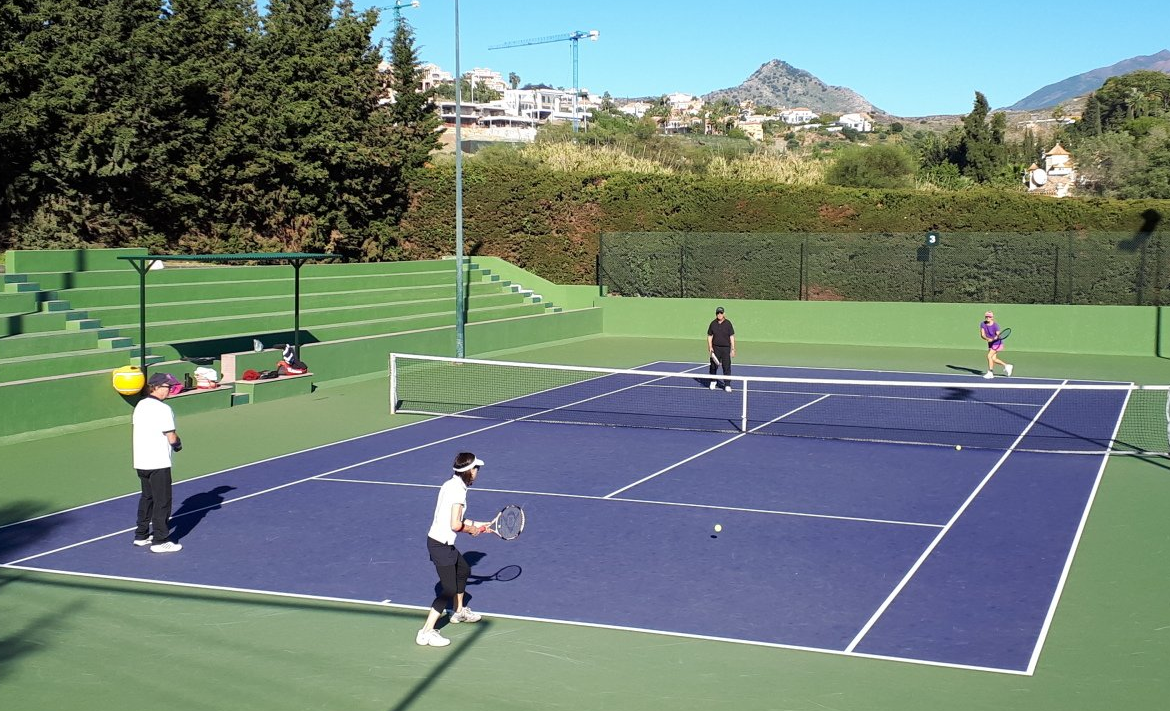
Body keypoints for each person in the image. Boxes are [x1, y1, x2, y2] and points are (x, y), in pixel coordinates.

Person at [417, 453, 489, 647]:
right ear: (468, 471)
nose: (477, 472)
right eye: (476, 469)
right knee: (448, 589)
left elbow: (454, 520)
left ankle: (458, 611)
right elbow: (456, 524)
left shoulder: (450, 484)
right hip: (440, 545)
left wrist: (480, 524)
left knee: (463, 569)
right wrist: (471, 529)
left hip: (441, 542)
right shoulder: (458, 492)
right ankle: (426, 632)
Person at [132, 372, 184, 553]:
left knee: (147, 497)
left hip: (141, 461)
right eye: (167, 387)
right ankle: (160, 540)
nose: (169, 390)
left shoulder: (140, 405)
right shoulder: (163, 409)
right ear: (156, 387)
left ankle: (141, 535)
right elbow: (171, 436)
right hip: (158, 462)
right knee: (162, 501)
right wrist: (178, 444)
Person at [706, 306, 736, 391]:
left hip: (726, 348)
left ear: (724, 314)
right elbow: (709, 336)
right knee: (713, 366)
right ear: (716, 314)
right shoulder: (713, 324)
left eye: (721, 313)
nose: (719, 314)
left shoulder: (728, 323)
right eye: (718, 313)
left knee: (726, 366)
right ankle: (713, 381)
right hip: (715, 348)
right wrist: (710, 347)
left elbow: (732, 336)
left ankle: (727, 384)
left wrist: (733, 349)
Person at [979, 310, 1013, 379]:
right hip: (990, 343)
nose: (988, 317)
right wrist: (987, 338)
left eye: (989, 316)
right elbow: (982, 335)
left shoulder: (995, 325)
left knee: (989, 356)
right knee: (993, 358)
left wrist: (994, 338)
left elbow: (999, 335)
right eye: (987, 316)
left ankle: (990, 372)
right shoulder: (982, 324)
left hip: (997, 343)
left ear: (992, 317)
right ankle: (1007, 366)